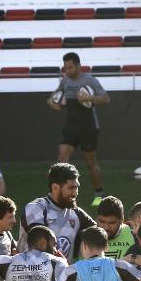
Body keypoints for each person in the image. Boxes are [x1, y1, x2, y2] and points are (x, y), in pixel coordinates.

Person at [48, 52, 109, 206]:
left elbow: (106, 99)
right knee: (61, 160)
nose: (67, 71)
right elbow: (52, 97)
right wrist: (52, 103)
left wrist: (89, 98)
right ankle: (60, 195)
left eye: (70, 67)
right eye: (65, 68)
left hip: (88, 126)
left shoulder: (90, 80)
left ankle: (99, 195)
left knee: (91, 163)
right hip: (71, 126)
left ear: (78, 66)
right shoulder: (65, 81)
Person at [18, 163, 94, 262]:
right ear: (55, 188)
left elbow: (98, 235)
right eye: (71, 188)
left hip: (61, 275)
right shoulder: (36, 208)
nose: (75, 193)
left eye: (77, 187)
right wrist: (61, 263)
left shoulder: (76, 213)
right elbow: (40, 245)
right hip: (31, 274)